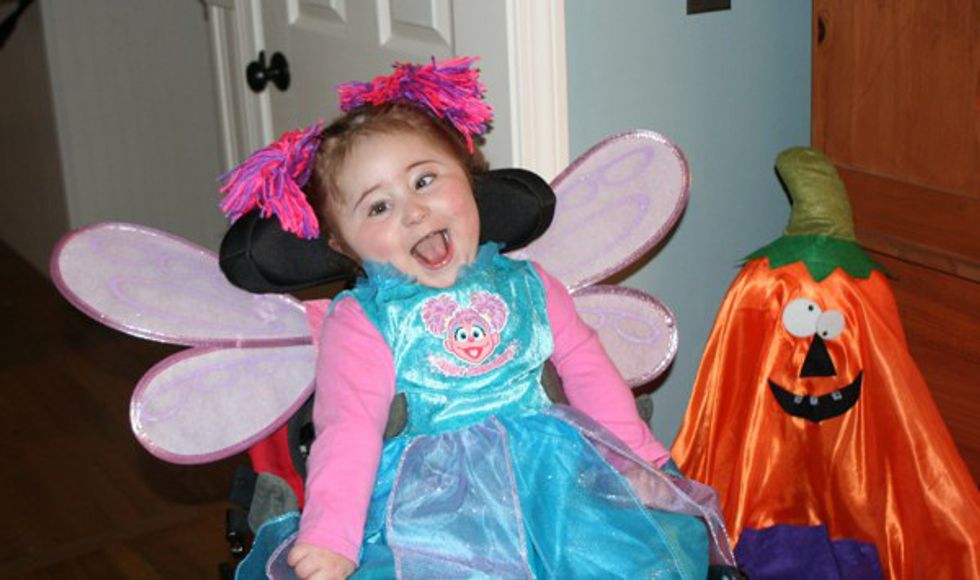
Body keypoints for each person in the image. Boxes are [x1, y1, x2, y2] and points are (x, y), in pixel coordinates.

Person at [221, 57, 734, 579]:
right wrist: (333, 536)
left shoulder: (530, 284)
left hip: (557, 491)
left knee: (632, 561)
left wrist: (635, 460)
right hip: (436, 513)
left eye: (424, 180)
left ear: (468, 179)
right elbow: (347, 430)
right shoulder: (363, 321)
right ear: (343, 244)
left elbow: (590, 371)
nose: (414, 211)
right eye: (378, 207)